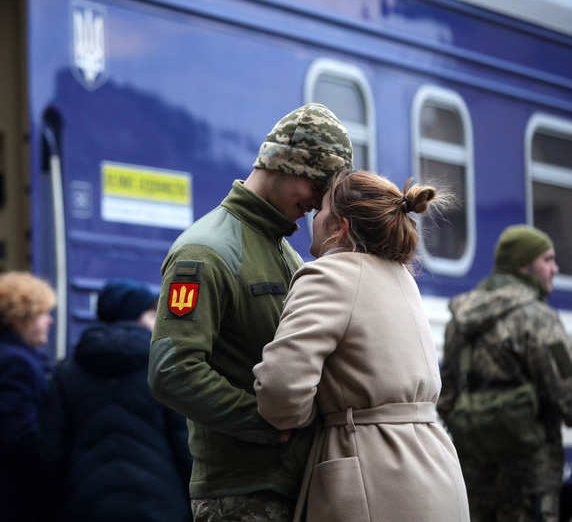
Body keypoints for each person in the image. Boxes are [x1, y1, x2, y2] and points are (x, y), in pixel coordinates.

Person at [148, 103, 353, 521]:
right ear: (286, 165)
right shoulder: (205, 252)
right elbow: (172, 369)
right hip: (240, 496)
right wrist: (269, 426)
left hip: (291, 485)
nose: (317, 205)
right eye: (316, 186)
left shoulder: (285, 252)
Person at [253, 170, 470, 522]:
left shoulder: (329, 274)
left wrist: (308, 415)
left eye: (321, 209)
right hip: (436, 467)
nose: (314, 217)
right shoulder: (402, 277)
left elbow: (280, 391)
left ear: (341, 227)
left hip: (371, 471)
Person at [438, 224, 572, 522]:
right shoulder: (539, 318)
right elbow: (568, 397)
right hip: (529, 481)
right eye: (547, 260)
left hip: (473, 478)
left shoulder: (459, 319)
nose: (555, 269)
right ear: (524, 265)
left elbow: (445, 398)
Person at [40, 279, 193, 522]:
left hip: (87, 505)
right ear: (136, 317)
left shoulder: (67, 372)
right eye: (152, 315)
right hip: (159, 505)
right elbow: (185, 445)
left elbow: (51, 452)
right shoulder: (164, 367)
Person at [0, 271, 56, 522]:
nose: (49, 321)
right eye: (42, 314)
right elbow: (20, 438)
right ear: (19, 319)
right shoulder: (14, 364)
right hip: (15, 501)